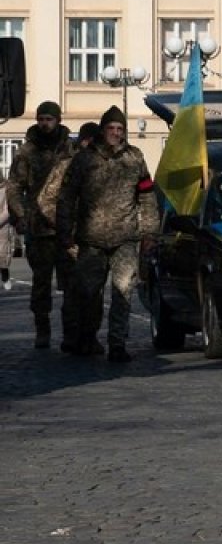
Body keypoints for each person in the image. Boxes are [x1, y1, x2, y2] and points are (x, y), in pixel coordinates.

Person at [57, 106, 160, 363]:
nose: (116, 133)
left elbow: (147, 196)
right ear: (103, 131)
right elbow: (67, 197)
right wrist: (65, 231)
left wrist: (149, 232)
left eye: (120, 129)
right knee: (89, 293)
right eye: (111, 128)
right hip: (91, 238)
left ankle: (117, 343)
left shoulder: (135, 158)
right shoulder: (84, 160)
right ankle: (87, 338)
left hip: (125, 237)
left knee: (123, 291)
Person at [8, 102, 73, 350]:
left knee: (70, 284)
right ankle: (42, 330)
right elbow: (15, 187)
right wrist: (22, 215)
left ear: (57, 120)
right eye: (41, 119)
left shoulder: (69, 149)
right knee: (41, 283)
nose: (44, 123)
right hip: (39, 228)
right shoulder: (27, 152)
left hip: (66, 228)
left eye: (49, 119)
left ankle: (70, 332)